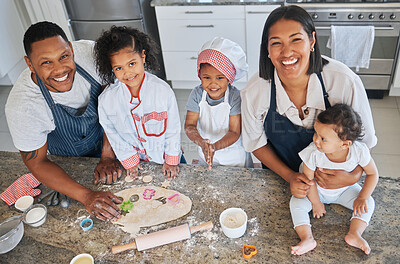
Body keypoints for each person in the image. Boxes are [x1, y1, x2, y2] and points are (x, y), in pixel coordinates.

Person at [240, 5, 377, 198]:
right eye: (276, 43)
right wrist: (290, 177)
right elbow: (255, 142)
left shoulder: (343, 81)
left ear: (312, 41)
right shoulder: (254, 91)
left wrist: (352, 176)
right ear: (267, 50)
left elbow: (364, 141)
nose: (287, 52)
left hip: (335, 185)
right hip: (281, 180)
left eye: (296, 40)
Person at [5, 21, 122, 221]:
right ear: (30, 64)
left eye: (64, 56)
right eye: (46, 62)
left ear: (72, 50)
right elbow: (38, 162)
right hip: (69, 160)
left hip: (112, 139)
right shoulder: (23, 106)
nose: (60, 70)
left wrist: (108, 154)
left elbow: (115, 102)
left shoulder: (92, 55)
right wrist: (87, 196)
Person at [94, 26, 181, 180]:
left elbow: (173, 128)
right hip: (134, 163)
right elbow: (112, 133)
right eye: (119, 68)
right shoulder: (107, 100)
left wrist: (171, 159)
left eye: (132, 64)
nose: (127, 73)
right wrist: (129, 160)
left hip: (164, 159)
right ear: (111, 68)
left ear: (143, 56)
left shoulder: (163, 91)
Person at [290, 104, 378, 255]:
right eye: (316, 133)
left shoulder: (359, 151)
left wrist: (362, 197)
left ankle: (355, 234)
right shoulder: (313, 152)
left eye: (323, 139)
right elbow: (308, 181)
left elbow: (373, 174)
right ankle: (307, 238)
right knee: (296, 202)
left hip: (345, 191)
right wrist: (316, 202)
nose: (316, 140)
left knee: (369, 203)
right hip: (316, 191)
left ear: (345, 144)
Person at [184, 37, 252, 168]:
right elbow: (189, 126)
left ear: (229, 79)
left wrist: (214, 147)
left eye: (220, 77)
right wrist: (202, 143)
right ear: (200, 75)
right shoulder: (197, 94)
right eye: (206, 77)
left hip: (233, 155)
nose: (213, 83)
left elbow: (234, 132)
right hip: (205, 152)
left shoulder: (234, 96)